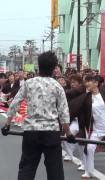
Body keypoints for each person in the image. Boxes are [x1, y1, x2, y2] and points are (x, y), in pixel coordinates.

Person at [1, 51, 74, 180]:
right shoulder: (57, 86)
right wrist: (68, 133)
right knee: (55, 170)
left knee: (27, 168)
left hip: (31, 131)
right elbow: (64, 112)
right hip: (51, 132)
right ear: (53, 68)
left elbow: (14, 104)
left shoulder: (29, 83)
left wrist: (7, 125)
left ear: (38, 66)